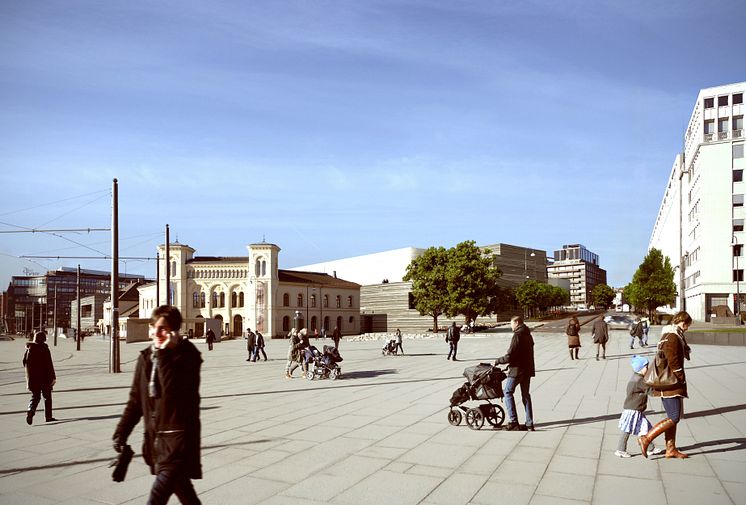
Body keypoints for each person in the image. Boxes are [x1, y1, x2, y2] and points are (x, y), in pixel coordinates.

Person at [112, 305, 203, 504]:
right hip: (156, 442)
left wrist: (164, 355)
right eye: (154, 326)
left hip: (178, 442)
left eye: (163, 328)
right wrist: (121, 433)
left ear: (174, 330)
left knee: (156, 499)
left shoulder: (187, 356)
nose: (157, 332)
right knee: (187, 496)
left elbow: (172, 395)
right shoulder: (146, 358)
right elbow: (136, 400)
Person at [639, 311, 692, 459]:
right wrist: (680, 377)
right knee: (674, 417)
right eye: (688, 325)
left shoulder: (669, 335)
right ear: (683, 322)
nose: (688, 328)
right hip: (671, 383)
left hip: (667, 382)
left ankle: (671, 449)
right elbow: (673, 360)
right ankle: (646, 439)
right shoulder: (673, 337)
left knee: (671, 416)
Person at [615, 356, 663, 458]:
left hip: (635, 409)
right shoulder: (639, 381)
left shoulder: (636, 377)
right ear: (640, 368)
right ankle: (620, 449)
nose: (648, 368)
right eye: (646, 367)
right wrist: (662, 390)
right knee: (627, 430)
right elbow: (651, 391)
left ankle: (650, 448)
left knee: (643, 428)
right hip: (633, 410)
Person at [494, 315, 535, 431]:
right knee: (525, 395)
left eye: (511, 323)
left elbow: (510, 355)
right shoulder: (528, 335)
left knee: (507, 392)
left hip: (517, 371)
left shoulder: (517, 335)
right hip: (527, 370)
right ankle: (529, 423)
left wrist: (499, 361)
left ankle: (513, 421)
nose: (511, 325)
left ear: (517, 322)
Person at [23, 330, 57, 424]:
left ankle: (31, 409)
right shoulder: (44, 349)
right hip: (45, 378)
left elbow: (24, 362)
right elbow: (49, 364)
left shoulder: (29, 349)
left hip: (33, 379)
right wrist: (53, 377)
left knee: (35, 397)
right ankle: (48, 417)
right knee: (47, 397)